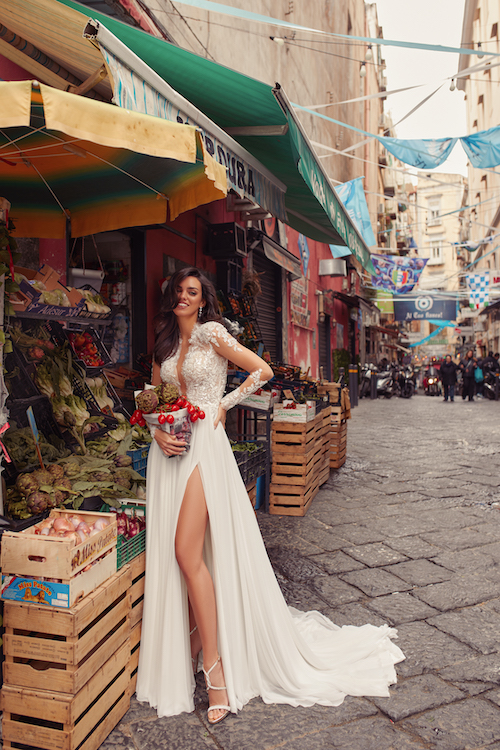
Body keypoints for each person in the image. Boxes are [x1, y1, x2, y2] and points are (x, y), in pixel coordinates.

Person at [136, 267, 404, 723]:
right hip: (170, 451)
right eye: (178, 290)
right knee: (188, 552)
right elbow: (158, 400)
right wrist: (154, 430)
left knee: (186, 552)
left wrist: (223, 404)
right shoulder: (165, 344)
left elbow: (261, 370)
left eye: (192, 292)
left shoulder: (213, 334)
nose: (183, 297)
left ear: (203, 300)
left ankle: (214, 668)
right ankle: (196, 636)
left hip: (204, 447)